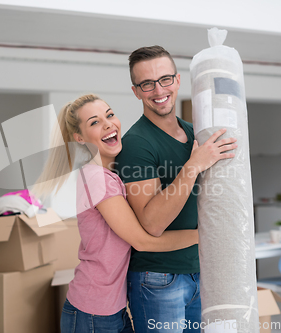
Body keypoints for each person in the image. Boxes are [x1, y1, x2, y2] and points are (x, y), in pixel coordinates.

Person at [32, 94, 200, 333]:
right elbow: (142, 241)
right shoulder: (97, 179)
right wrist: (203, 236)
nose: (108, 123)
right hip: (93, 312)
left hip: (110, 307)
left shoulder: (115, 174)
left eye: (109, 115)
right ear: (79, 138)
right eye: (95, 122)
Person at [114, 46, 237, 332]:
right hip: (158, 278)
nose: (158, 90)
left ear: (178, 80)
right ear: (136, 91)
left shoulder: (196, 133)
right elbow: (152, 223)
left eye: (165, 79)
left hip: (199, 269)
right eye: (147, 83)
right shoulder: (137, 143)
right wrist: (192, 166)